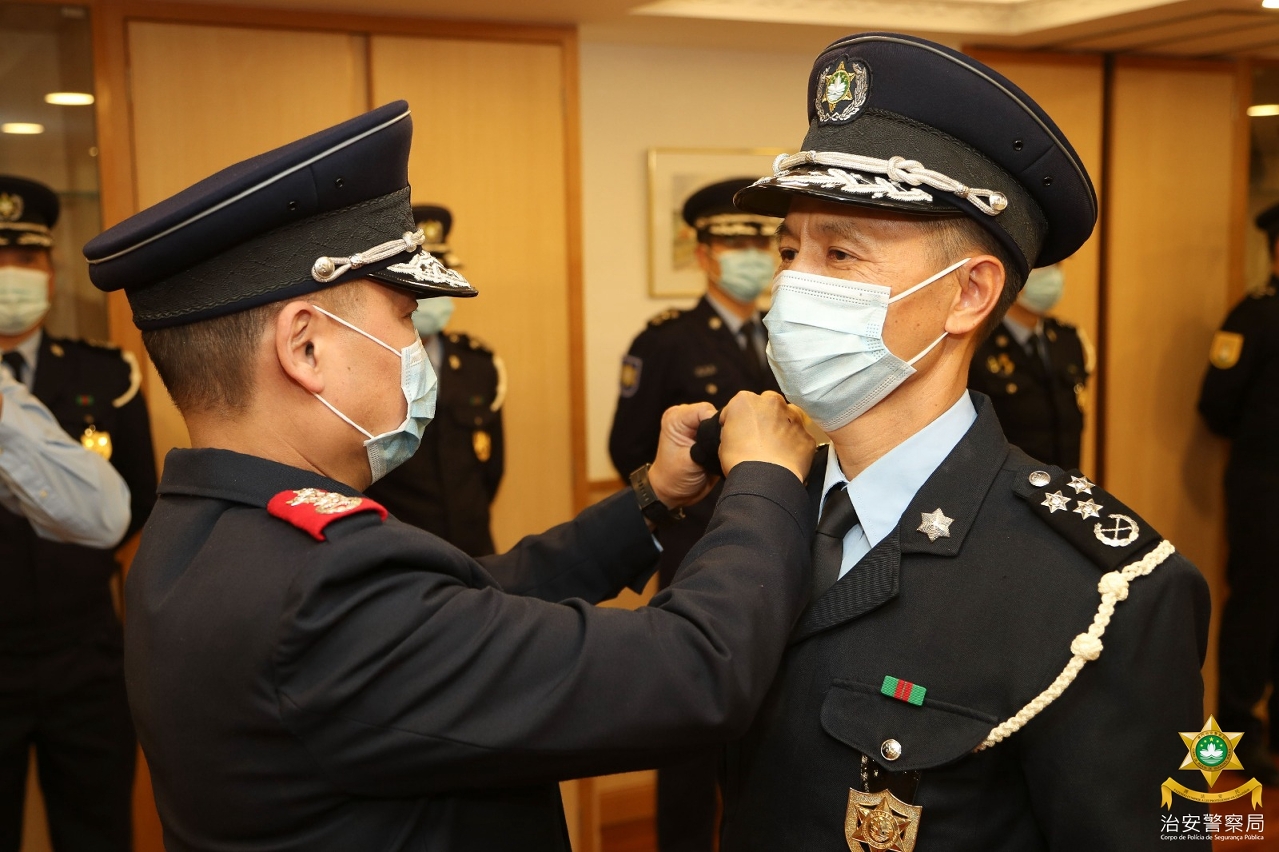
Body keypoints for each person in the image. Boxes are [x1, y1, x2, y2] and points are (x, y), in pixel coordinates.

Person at [85, 101, 819, 850]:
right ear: (304, 348)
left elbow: (478, 601)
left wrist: (651, 498)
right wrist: (764, 480)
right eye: (404, 315)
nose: (416, 346)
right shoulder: (322, 593)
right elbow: (695, 671)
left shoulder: (201, 531)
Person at [715, 33, 1211, 851]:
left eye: (839, 253)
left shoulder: (1110, 591)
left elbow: (1174, 833)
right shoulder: (757, 503)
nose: (792, 285)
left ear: (968, 294)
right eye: (789, 251)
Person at [608, 178, 781, 852]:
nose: (753, 260)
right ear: (705, 255)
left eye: (763, 247)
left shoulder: (783, 336)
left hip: (778, 546)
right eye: (735, 247)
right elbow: (629, 449)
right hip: (696, 551)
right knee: (687, 730)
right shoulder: (667, 342)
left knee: (767, 721)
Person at [0, 175, 156, 852]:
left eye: (25, 258)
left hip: (85, 655)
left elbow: (138, 498)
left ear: (52, 273)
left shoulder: (106, 374)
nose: (10, 274)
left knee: (97, 830)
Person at [366, 205, 505, 556]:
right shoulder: (367, 366)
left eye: (438, 278)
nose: (431, 294)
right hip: (399, 553)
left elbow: (491, 469)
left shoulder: (478, 365)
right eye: (420, 283)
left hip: (474, 549)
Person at [1198, 202, 1279, 786]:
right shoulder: (1256, 316)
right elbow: (1217, 404)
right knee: (1258, 606)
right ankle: (1238, 731)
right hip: (1266, 486)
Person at [967, 263, 1092, 469]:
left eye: (1057, 265)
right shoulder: (976, 345)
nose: (1052, 275)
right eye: (1041, 265)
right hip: (1004, 483)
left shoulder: (1067, 340)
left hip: (1062, 482)